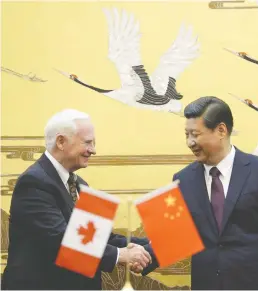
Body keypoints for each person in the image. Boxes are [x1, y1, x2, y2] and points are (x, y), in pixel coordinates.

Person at [2, 109, 158, 290]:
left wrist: (149, 246)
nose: (93, 150)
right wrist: (120, 255)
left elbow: (101, 237)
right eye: (88, 142)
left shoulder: (80, 185)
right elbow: (60, 240)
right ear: (61, 141)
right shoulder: (33, 183)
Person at [173, 96, 258, 290]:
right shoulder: (183, 180)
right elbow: (175, 236)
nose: (190, 142)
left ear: (221, 130)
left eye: (195, 134)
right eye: (187, 135)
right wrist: (129, 251)